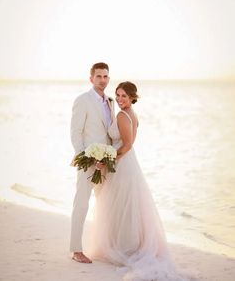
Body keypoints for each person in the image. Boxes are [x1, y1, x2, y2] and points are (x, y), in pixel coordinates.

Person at [83, 81, 195, 281]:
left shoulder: (122, 115)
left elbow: (126, 146)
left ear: (133, 97)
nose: (119, 99)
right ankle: (122, 244)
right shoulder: (133, 115)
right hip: (128, 164)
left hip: (122, 164)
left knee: (119, 205)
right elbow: (128, 145)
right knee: (124, 205)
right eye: (117, 95)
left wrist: (106, 160)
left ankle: (122, 247)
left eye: (124, 96)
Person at [70, 62, 114, 263]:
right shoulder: (83, 100)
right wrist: (84, 157)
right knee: (81, 203)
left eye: (105, 76)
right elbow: (76, 132)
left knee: (107, 204)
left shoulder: (111, 101)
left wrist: (110, 158)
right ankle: (76, 250)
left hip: (107, 163)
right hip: (88, 161)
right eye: (99, 76)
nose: (102, 80)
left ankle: (107, 246)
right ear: (91, 78)